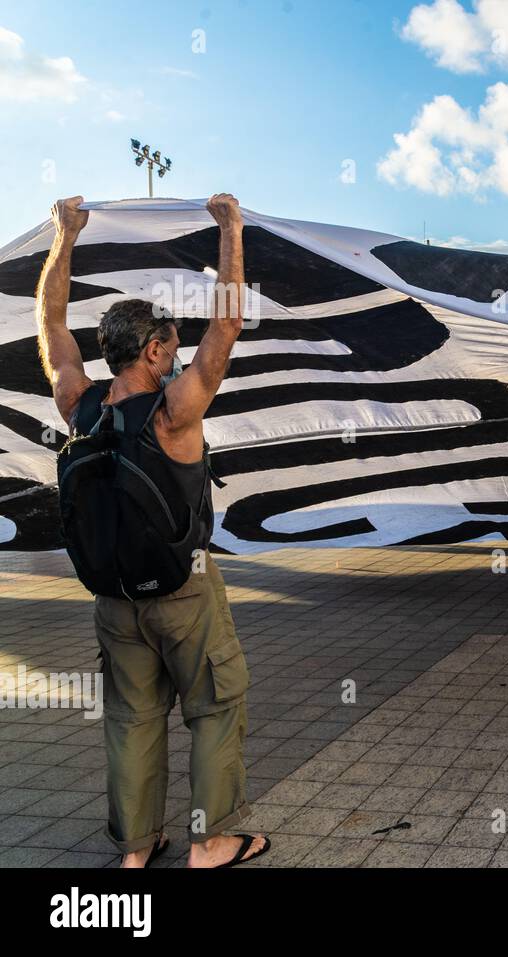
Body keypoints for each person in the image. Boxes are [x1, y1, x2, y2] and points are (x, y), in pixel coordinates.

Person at [36, 194, 269, 868]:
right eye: (168, 341)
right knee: (215, 706)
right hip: (184, 590)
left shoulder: (76, 402)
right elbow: (226, 328)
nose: (177, 350)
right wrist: (232, 229)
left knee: (131, 719)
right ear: (150, 348)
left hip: (114, 599)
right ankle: (212, 840)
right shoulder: (175, 409)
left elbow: (49, 318)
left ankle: (136, 852)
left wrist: (65, 234)